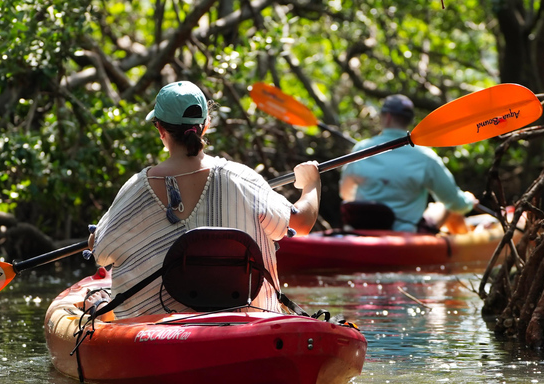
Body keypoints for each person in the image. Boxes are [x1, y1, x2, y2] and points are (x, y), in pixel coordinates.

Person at [86, 81, 320, 318]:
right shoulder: (243, 179)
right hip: (248, 324)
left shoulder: (135, 190)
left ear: (160, 129)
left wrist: (96, 237)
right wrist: (311, 183)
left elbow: (101, 253)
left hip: (156, 332)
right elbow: (301, 222)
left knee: (97, 305)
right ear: (206, 126)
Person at [339, 94, 476, 234]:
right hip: (406, 234)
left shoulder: (361, 149)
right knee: (443, 206)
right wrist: (469, 201)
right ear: (409, 120)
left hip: (361, 230)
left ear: (387, 118)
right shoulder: (425, 157)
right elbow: (455, 204)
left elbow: (345, 193)